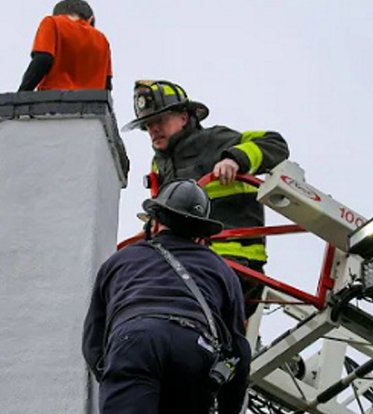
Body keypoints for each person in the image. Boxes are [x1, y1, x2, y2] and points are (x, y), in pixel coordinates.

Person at [121, 80, 290, 318]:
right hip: (186, 261)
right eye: (148, 125)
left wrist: (234, 159)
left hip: (234, 261)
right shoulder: (159, 165)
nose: (153, 129)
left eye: (160, 120)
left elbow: (274, 143)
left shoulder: (214, 140)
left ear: (183, 116)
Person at [82, 180, 251, 414]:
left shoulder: (120, 260)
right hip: (194, 348)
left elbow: (93, 339)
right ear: (200, 232)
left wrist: (117, 373)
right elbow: (238, 352)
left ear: (156, 220)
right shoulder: (221, 270)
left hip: (134, 340)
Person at [18, 0, 112, 91]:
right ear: (90, 19)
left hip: (54, 100)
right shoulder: (103, 40)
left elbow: (43, 59)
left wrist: (21, 95)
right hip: (92, 104)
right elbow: (107, 84)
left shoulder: (52, 22)